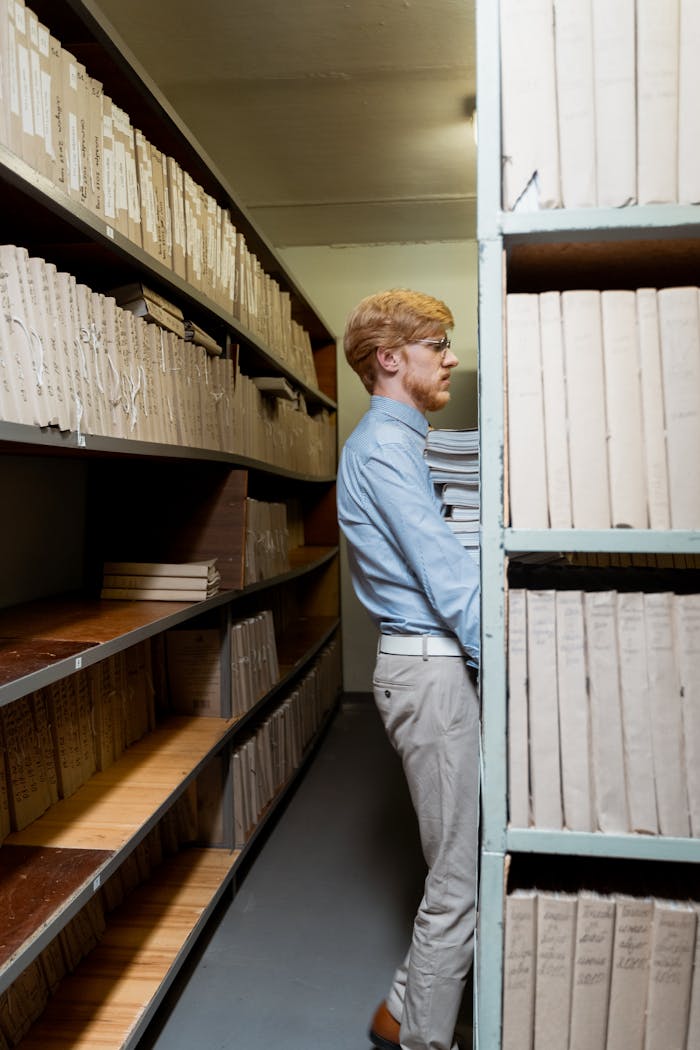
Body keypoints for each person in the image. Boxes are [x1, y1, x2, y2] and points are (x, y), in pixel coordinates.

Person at [336, 289, 480, 1050]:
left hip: (425, 666)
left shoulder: (399, 440)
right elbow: (444, 573)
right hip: (426, 670)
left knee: (458, 860)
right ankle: (420, 1039)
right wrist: (526, 667)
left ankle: (399, 1008)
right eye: (438, 343)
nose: (452, 356)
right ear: (392, 359)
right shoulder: (388, 447)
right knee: (459, 882)